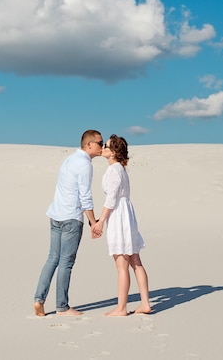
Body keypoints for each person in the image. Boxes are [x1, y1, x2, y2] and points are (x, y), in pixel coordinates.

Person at [33, 129, 103, 316]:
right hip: (71, 217)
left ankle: (39, 299)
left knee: (52, 258)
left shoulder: (69, 160)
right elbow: (85, 197)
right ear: (89, 144)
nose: (102, 147)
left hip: (56, 214)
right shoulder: (85, 164)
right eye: (99, 143)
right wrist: (93, 222)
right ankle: (62, 306)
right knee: (66, 262)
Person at [91, 134, 151, 316]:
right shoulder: (121, 170)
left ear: (114, 152)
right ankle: (145, 303)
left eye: (107, 146)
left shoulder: (113, 170)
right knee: (135, 261)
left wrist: (100, 221)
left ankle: (121, 307)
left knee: (122, 265)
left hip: (119, 216)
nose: (103, 147)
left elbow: (111, 198)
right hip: (127, 214)